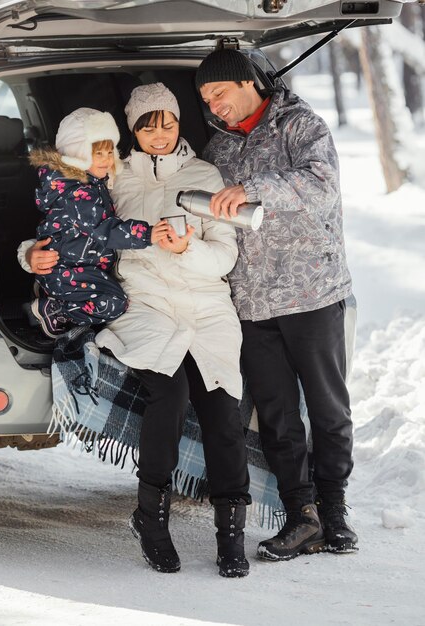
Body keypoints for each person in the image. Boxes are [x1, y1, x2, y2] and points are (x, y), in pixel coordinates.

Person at [20, 83, 251, 578]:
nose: (160, 133)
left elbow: (226, 255)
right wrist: (30, 255)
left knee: (222, 405)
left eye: (167, 121)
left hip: (205, 302)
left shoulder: (205, 174)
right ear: (133, 130)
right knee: (170, 393)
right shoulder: (114, 176)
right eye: (147, 124)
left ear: (179, 121)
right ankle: (151, 518)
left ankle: (230, 533)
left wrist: (188, 249)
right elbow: (66, 224)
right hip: (143, 301)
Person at [195, 48, 358, 561]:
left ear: (247, 82)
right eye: (205, 99)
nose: (214, 106)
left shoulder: (299, 125)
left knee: (329, 410)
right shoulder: (217, 148)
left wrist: (252, 188)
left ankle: (334, 510)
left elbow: (321, 185)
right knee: (277, 416)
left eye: (218, 93)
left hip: (313, 293)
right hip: (252, 303)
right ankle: (301, 516)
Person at [25, 107, 168, 338]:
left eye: (109, 152)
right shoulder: (77, 193)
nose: (107, 160)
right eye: (97, 154)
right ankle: (55, 308)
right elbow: (105, 229)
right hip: (67, 271)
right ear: (76, 154)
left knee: (114, 300)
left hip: (83, 267)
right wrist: (147, 234)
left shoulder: (91, 183)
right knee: (115, 303)